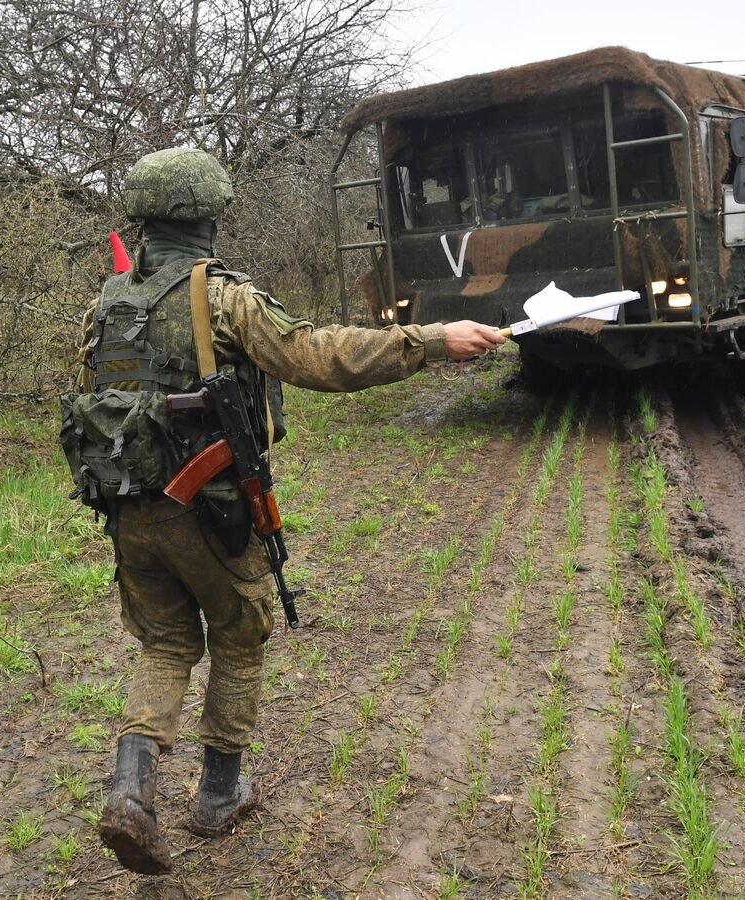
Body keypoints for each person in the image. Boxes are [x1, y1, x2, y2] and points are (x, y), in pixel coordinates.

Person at [61, 147, 504, 875]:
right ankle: (217, 796)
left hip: (125, 510)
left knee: (166, 647)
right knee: (240, 634)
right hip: (207, 507)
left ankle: (130, 791)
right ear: (208, 216)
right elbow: (317, 355)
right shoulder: (223, 297)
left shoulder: (104, 305)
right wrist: (429, 341)